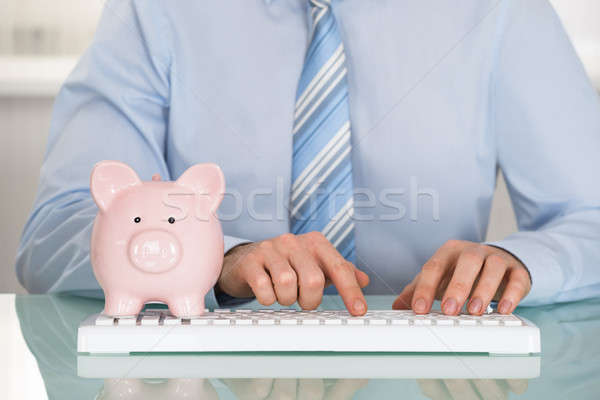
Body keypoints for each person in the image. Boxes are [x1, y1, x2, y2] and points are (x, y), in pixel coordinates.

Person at [16, 0, 600, 317]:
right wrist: (217, 260)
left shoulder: (502, 12)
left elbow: (590, 215)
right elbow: (57, 230)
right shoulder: (154, 12)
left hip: (436, 371)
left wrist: (514, 261)